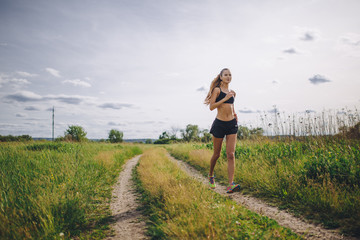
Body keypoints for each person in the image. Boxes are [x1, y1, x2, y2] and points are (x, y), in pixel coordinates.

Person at [204, 68, 240, 193]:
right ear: (221, 77)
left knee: (231, 155)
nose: (228, 77)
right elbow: (211, 107)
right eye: (226, 75)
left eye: (230, 74)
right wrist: (225, 98)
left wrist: (235, 114)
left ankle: (231, 184)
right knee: (217, 154)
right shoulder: (217, 90)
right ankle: (211, 175)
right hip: (219, 124)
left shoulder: (232, 92)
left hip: (231, 124)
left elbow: (231, 106)